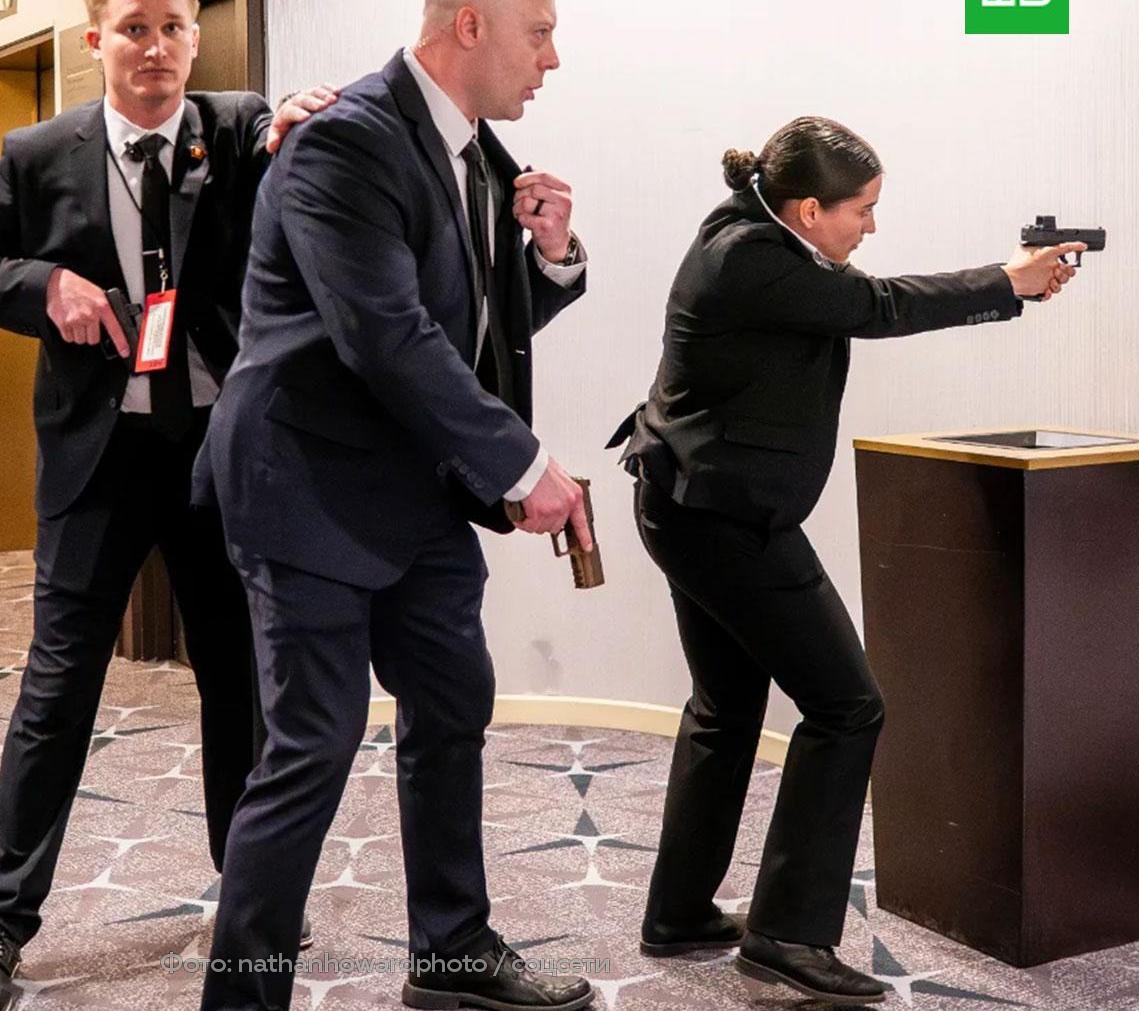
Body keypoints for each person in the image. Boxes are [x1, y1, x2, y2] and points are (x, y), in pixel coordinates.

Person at [610, 116, 1084, 1006]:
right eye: (861, 210)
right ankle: (789, 934)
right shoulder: (753, 259)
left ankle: (677, 912)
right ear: (807, 210)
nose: (870, 226)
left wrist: (1009, 282)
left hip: (690, 503)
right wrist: (1007, 282)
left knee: (726, 705)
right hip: (725, 520)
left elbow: (863, 296)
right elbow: (879, 305)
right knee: (847, 705)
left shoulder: (747, 230)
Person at [0, 2, 332, 1008]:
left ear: (193, 37)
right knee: (57, 692)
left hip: (218, 457)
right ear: (94, 41)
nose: (156, 48)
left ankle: (251, 893)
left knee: (239, 678)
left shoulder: (236, 127)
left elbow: (292, 174)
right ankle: (0, 923)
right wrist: (43, 286)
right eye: (134, 28)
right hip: (96, 464)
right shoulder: (36, 154)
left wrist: (302, 126)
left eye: (174, 28)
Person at [193, 1, 598, 1008]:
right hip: (305, 484)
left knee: (454, 701)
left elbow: (466, 324)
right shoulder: (344, 139)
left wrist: (549, 258)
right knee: (311, 749)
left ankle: (452, 953)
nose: (553, 57)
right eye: (539, 31)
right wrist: (523, 467)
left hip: (415, 487)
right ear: (470, 24)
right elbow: (385, 335)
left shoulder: (475, 153)